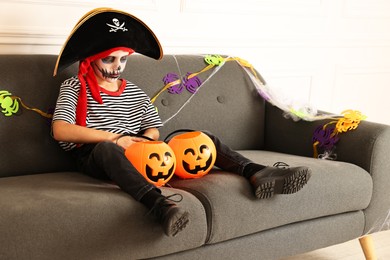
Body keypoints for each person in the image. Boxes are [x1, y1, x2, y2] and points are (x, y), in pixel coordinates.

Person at [52, 8, 311, 237]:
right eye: (109, 59)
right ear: (91, 58)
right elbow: (60, 130)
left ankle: (257, 172)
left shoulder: (132, 90)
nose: (117, 66)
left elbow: (152, 127)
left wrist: (148, 141)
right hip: (97, 154)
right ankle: (160, 206)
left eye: (123, 59)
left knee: (200, 139)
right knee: (107, 150)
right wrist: (114, 139)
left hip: (137, 149)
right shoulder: (74, 86)